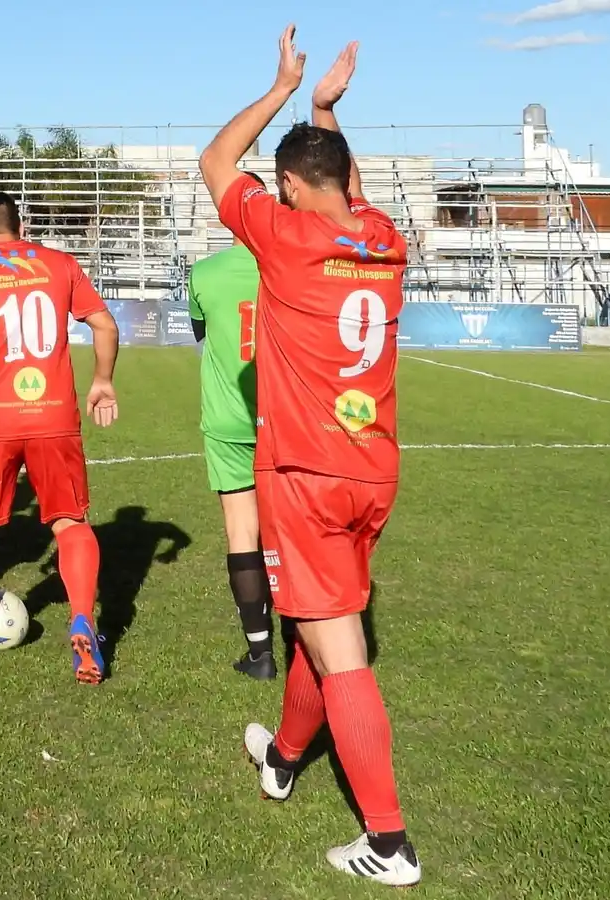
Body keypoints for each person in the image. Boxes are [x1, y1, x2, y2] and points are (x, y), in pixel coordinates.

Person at [199, 32, 419, 885]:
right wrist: (323, 111)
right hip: (373, 469)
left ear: (289, 186)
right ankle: (285, 760)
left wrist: (281, 85)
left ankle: (390, 843)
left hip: (307, 473)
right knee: (317, 628)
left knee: (343, 652)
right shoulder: (385, 236)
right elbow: (347, 185)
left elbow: (217, 157)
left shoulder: (282, 236)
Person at [0, 191, 120, 683]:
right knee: (70, 523)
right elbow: (104, 324)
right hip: (53, 414)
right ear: (20, 223)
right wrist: (102, 379)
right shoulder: (58, 264)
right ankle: (82, 621)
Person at [187, 184, 277, 680]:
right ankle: (316, 636)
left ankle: (260, 653)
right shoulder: (288, 267)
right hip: (286, 418)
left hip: (227, 419)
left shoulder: (204, 273)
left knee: (242, 530)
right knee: (293, 529)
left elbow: (202, 334)